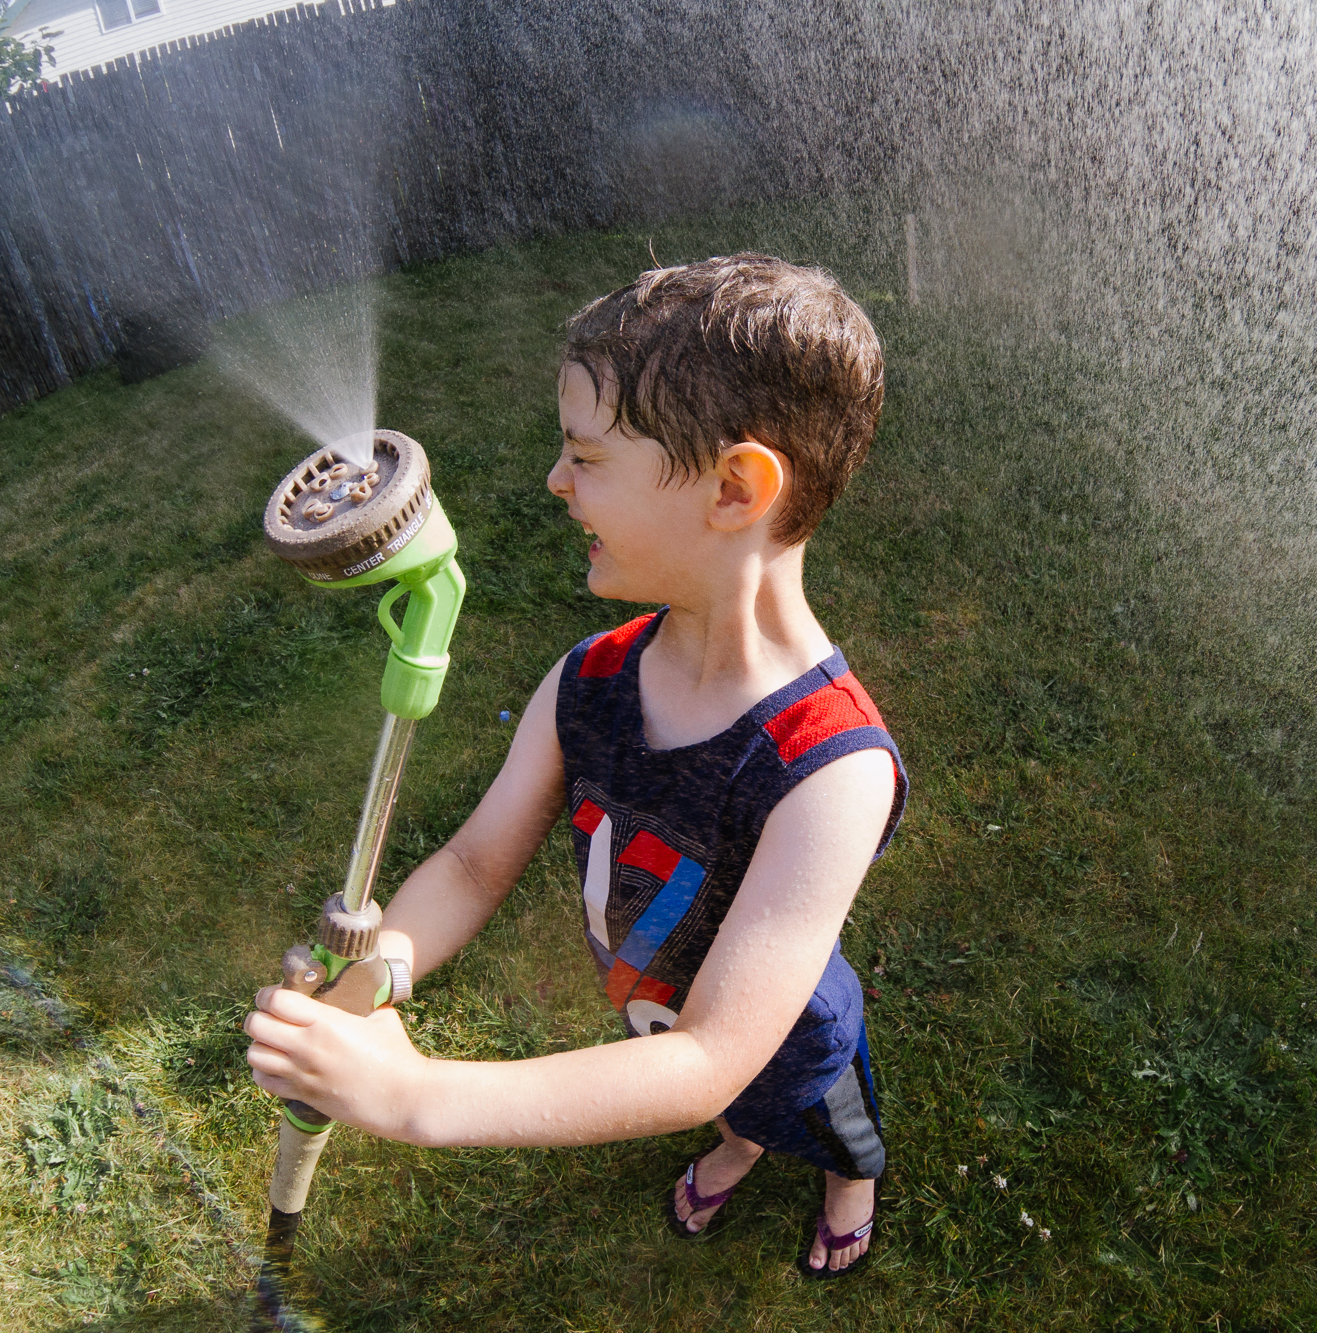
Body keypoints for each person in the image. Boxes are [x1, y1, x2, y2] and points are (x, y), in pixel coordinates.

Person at [244, 253, 908, 1278]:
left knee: (809, 1113)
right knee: (731, 1119)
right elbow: (471, 866)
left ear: (734, 487)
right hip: (655, 1018)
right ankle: (737, 1149)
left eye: (587, 457)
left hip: (776, 1040)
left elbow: (705, 1058)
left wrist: (419, 1098)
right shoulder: (587, 678)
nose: (555, 481)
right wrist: (382, 973)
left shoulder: (831, 768)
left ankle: (846, 1184)